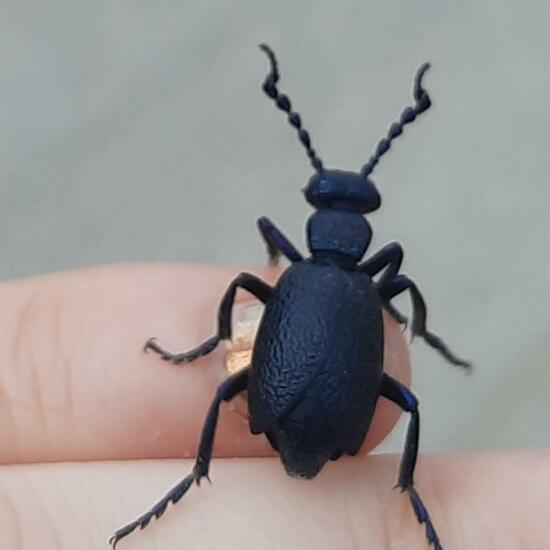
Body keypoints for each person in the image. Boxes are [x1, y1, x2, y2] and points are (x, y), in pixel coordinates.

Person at [0, 264, 546, 548]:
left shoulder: (303, 277)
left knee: (223, 389)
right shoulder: (370, 286)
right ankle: (409, 493)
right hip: (332, 408)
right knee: (410, 403)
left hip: (298, 397)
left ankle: (197, 476)